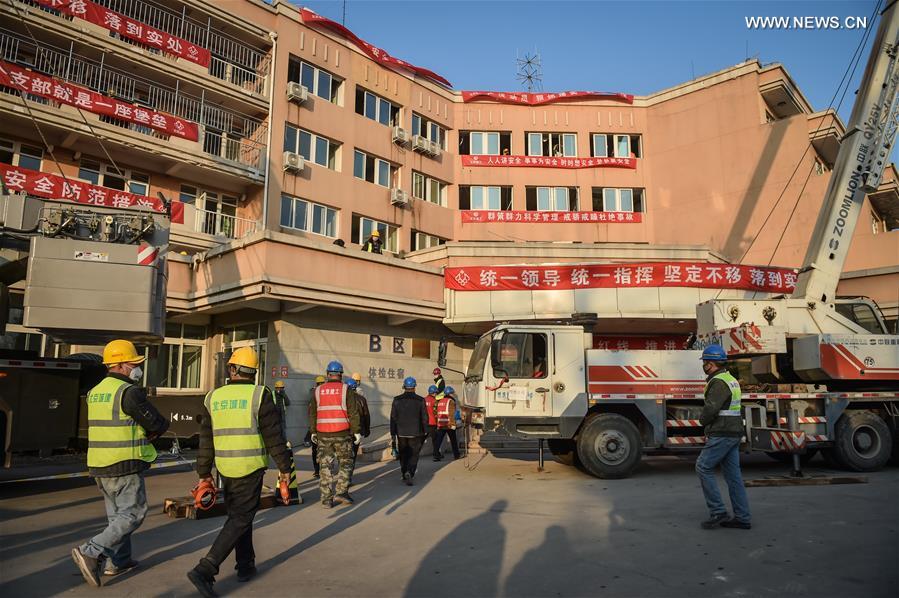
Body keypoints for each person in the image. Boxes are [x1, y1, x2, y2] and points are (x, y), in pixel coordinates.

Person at [187, 347, 293, 596]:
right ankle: (206, 569)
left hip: (225, 467)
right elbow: (273, 436)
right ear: (254, 372)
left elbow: (206, 439)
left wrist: (204, 472)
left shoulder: (213, 397)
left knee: (240, 516)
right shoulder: (259, 395)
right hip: (249, 467)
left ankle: (245, 565)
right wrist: (285, 469)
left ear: (232, 369)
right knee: (241, 518)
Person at [71, 339, 169, 587]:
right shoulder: (129, 392)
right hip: (124, 464)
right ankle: (90, 551)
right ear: (122, 365)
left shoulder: (96, 391)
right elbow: (157, 423)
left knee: (117, 517)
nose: (137, 368)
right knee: (133, 514)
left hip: (99, 464)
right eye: (135, 363)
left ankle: (119, 562)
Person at [695, 344, 751, 530]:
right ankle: (742, 517)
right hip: (733, 432)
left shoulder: (718, 382)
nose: (703, 365)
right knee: (733, 476)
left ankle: (718, 511)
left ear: (710, 364)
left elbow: (711, 408)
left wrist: (703, 422)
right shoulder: (730, 379)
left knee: (703, 467)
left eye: (705, 362)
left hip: (723, 432)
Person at [308, 361, 361, 508]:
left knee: (325, 465)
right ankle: (341, 492)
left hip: (323, 434)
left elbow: (312, 413)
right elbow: (353, 412)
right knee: (346, 462)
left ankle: (326, 499)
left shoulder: (317, 391)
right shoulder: (346, 390)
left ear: (327, 374)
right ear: (341, 374)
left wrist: (313, 431)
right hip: (342, 433)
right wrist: (356, 431)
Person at [390, 377, 429, 485]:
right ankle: (410, 472)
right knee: (414, 454)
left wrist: (393, 432)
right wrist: (426, 430)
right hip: (416, 433)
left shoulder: (396, 400)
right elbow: (424, 417)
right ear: (414, 387)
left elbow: (393, 417)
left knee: (403, 454)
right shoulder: (420, 400)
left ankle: (404, 472)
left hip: (401, 433)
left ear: (404, 387)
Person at [349, 372, 372, 478]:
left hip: (343, 431)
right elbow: (366, 415)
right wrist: (366, 430)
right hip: (356, 430)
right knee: (353, 453)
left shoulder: (341, 398)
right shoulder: (361, 398)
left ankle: (344, 474)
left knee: (344, 454)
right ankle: (349, 475)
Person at [304, 375, 326, 478]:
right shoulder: (317, 393)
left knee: (315, 449)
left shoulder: (313, 392)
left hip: (316, 425)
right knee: (324, 449)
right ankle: (321, 470)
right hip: (323, 425)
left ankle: (317, 470)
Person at [435, 386, 461, 460]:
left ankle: (436, 455)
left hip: (441, 424)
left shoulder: (440, 401)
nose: (453, 395)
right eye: (452, 393)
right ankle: (456, 455)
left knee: (438, 441)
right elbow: (452, 414)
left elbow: (438, 413)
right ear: (450, 393)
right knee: (453, 441)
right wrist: (454, 424)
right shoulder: (451, 401)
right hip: (449, 424)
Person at [424, 384, 440, 461]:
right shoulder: (434, 401)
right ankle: (436, 456)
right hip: (432, 423)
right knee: (435, 441)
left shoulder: (423, 400)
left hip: (424, 423)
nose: (436, 394)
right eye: (436, 393)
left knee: (420, 440)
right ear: (434, 393)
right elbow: (436, 413)